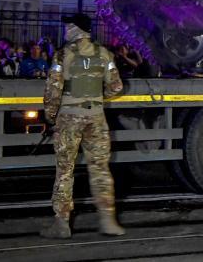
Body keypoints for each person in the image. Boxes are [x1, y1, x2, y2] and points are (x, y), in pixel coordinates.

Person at [40, 13, 125, 239]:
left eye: (69, 26)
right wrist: (97, 97)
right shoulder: (103, 53)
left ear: (77, 29)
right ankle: (108, 221)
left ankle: (61, 224)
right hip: (96, 117)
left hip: (69, 117)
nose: (66, 30)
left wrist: (50, 115)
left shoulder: (62, 55)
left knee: (65, 170)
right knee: (100, 169)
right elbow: (116, 87)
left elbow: (53, 90)